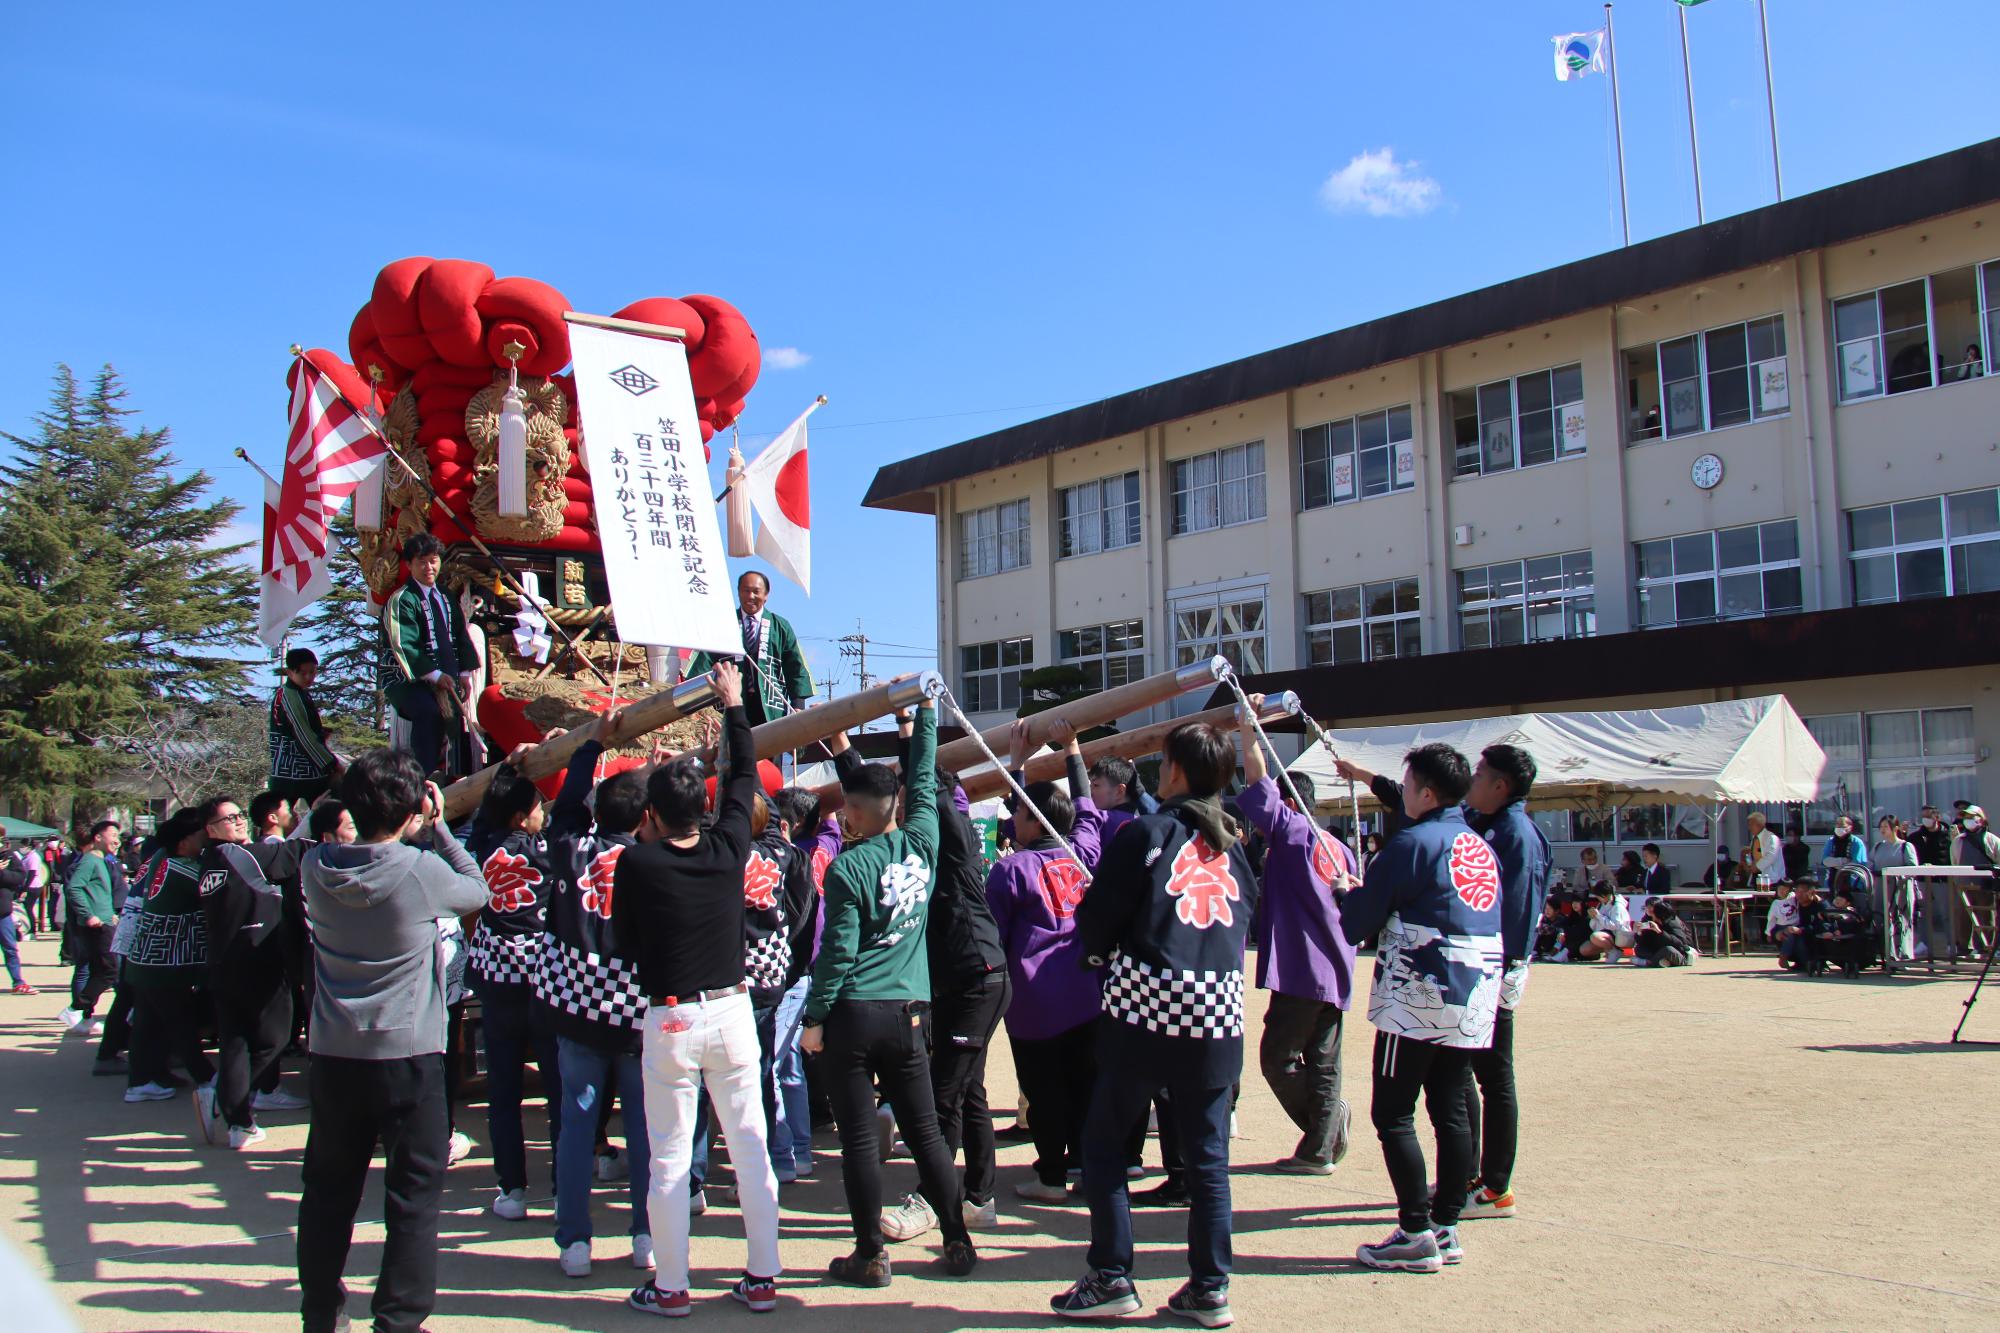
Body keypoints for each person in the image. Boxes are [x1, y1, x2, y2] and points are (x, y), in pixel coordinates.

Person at [1049, 721, 1261, 1325]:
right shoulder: (1233, 846)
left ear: (1175, 771)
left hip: (1147, 1007)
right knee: (1207, 1155)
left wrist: (1097, 957)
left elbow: (1098, 919)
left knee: (1105, 1142)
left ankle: (1112, 1274)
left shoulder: (1147, 833)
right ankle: (1210, 1286)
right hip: (1217, 1012)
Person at [296, 749, 489, 1333]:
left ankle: (320, 1311)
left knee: (328, 1191)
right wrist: (439, 829)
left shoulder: (315, 866)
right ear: (410, 810)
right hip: (406, 1052)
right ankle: (399, 1320)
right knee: (411, 1196)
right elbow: (476, 891)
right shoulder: (417, 869)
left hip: (333, 1050)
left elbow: (315, 834)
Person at [613, 661, 784, 1317]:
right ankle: (763, 1277)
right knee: (750, 1147)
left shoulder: (638, 860)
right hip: (735, 1008)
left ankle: (672, 1285)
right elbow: (744, 775)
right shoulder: (729, 845)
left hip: (673, 1016)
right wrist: (735, 704)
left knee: (668, 1160)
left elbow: (625, 941)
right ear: (704, 808)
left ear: (651, 814)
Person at [799, 688, 979, 1289]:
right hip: (910, 1010)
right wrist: (926, 714)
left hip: (853, 1012)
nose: (844, 817)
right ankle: (956, 1235)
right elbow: (923, 777)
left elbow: (838, 952)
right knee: (924, 1129)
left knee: (857, 1140)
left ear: (854, 809)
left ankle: (871, 1252)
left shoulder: (848, 867)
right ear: (895, 805)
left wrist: (815, 1016)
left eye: (847, 810)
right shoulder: (922, 842)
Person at [1338, 743, 1502, 1276]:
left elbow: (1356, 922)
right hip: (1474, 990)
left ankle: (1413, 1229)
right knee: (1451, 1108)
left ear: (1426, 793)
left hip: (1418, 990)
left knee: (1392, 1111)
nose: (1402, 793)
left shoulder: (1410, 844)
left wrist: (1346, 893)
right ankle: (1446, 1225)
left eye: (1407, 786)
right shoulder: (1478, 845)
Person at [872, 706, 1011, 1242]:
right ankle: (979, 1196)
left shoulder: (951, 833)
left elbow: (923, 782)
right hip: (966, 976)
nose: (905, 806)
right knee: (968, 1088)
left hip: (977, 975)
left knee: (942, 1094)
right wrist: (906, 731)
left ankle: (932, 1200)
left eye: (911, 796)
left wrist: (922, 730)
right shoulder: (937, 835)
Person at [530, 714, 657, 1278]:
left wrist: (592, 745)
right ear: (645, 819)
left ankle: (574, 1241)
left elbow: (565, 807)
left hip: (575, 1006)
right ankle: (645, 1234)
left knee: (577, 1125)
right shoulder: (656, 864)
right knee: (646, 1130)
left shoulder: (568, 850)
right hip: (636, 1013)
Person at [983, 719, 1104, 1207]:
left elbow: (995, 936)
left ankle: (1051, 1173)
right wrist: (1073, 749)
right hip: (1086, 992)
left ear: (1033, 820)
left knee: (1044, 1089)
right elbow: (1088, 812)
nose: (1014, 820)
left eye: (1020, 814)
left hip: (1035, 999)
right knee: (1085, 1083)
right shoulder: (1083, 856)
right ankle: (1084, 1165)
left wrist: (1017, 763)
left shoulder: (1012, 870)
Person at [1235, 707, 1358, 1178]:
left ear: (1287, 803)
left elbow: (1256, 774)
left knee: (1277, 1058)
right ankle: (1320, 1147)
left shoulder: (1291, 831)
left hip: (1305, 967)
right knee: (1323, 1060)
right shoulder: (1338, 846)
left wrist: (1249, 726)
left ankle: (1323, 1131)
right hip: (1336, 965)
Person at [463, 756, 564, 1221]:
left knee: (503, 1090)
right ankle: (565, 1181)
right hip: (543, 980)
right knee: (558, 1086)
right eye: (538, 807)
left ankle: (512, 1188)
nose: (544, 812)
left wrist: (510, 769)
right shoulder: (548, 852)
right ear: (525, 817)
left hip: (496, 978)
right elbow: (573, 815)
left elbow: (486, 815)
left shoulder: (481, 848)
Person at [1458, 744, 1551, 1224]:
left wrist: (1491, 968)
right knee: (1475, 1074)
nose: (1472, 782)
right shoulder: (1494, 823)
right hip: (1490, 965)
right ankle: (1473, 1172)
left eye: (1479, 774)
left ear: (1502, 785)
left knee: (1493, 1077)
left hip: (1495, 966)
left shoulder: (1513, 833)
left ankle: (1495, 1185)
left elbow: (1509, 910)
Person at [193, 796, 298, 1150]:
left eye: (239, 815)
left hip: (223, 963)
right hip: (256, 960)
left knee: (236, 1043)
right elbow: (299, 852)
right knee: (275, 1037)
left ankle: (238, 1121)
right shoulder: (245, 854)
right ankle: (229, 1100)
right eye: (229, 818)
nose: (238, 822)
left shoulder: (208, 861)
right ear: (211, 830)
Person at [120, 811, 217, 1103]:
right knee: (180, 1023)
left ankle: (140, 1081)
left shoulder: (162, 859)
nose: (206, 838)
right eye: (201, 834)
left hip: (146, 956)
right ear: (185, 842)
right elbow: (219, 887)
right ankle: (208, 1077)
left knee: (148, 1022)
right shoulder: (185, 869)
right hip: (165, 961)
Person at [380, 532, 477, 778]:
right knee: (428, 713)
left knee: (456, 722)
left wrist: (464, 673)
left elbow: (460, 635)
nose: (428, 567)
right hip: (408, 679)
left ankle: (453, 776)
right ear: (409, 564)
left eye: (433, 560)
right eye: (421, 561)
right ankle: (421, 776)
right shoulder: (402, 600)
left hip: (446, 676)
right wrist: (434, 675)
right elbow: (404, 644)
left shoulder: (445, 597)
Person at [687, 570, 814, 727]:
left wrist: (797, 705)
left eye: (756, 591)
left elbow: (796, 668)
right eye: (746, 591)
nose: (750, 596)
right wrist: (696, 702)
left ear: (766, 594)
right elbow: (702, 664)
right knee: (736, 747)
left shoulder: (780, 626)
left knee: (772, 747)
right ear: (739, 592)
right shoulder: (722, 624)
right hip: (731, 702)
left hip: (770, 706)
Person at [58, 820, 122, 1035]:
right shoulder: (89, 861)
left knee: (98, 970)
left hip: (104, 921)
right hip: (96, 926)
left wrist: (109, 913)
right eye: (112, 835)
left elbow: (97, 892)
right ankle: (75, 1008)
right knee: (110, 970)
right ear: (98, 837)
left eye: (118, 836)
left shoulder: (102, 861)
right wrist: (89, 915)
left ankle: (85, 1018)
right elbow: (74, 888)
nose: (117, 840)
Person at [270, 647, 343, 803]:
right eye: (303, 673)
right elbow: (303, 735)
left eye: (313, 672)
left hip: (292, 769)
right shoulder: (289, 696)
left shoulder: (297, 693)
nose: (309, 677)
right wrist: (331, 763)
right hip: (296, 771)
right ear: (290, 673)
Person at [0, 837, 31, 994]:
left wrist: (2, 873)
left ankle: (18, 982)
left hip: (3, 912)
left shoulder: (10, 857)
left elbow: (19, 877)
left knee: (10, 948)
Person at [1633, 898, 1694, 967]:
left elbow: (1680, 943)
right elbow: (1644, 942)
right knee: (1639, 948)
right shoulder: (1647, 919)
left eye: (1652, 908)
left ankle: (1648, 963)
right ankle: (1661, 961)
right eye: (1647, 907)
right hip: (1658, 948)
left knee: (1667, 950)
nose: (1648, 910)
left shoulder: (1672, 921)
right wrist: (1639, 932)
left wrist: (1659, 932)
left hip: (1679, 951)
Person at [1746, 811, 1781, 886]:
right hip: (1757, 878)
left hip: (1771, 880)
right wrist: (1749, 864)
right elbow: (1751, 856)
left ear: (1759, 825)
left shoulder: (1772, 838)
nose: (1749, 828)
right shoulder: (1754, 839)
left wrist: (1757, 867)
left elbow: (1771, 855)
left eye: (1751, 825)